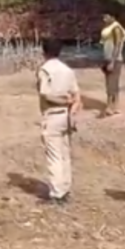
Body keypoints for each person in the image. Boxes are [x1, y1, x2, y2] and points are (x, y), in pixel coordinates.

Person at [36, 38, 81, 205]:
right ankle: (65, 188)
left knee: (54, 155)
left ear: (44, 51)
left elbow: (45, 94)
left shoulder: (45, 70)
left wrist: (64, 101)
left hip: (53, 114)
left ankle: (57, 193)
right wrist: (72, 110)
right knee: (64, 154)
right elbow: (77, 95)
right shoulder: (67, 70)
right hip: (67, 116)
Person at [99, 14, 125, 117]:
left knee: (112, 83)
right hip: (108, 58)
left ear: (113, 17)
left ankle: (110, 106)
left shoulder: (116, 29)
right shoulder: (108, 28)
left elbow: (117, 45)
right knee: (111, 82)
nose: (104, 19)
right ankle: (115, 106)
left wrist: (112, 61)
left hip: (114, 59)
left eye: (106, 17)